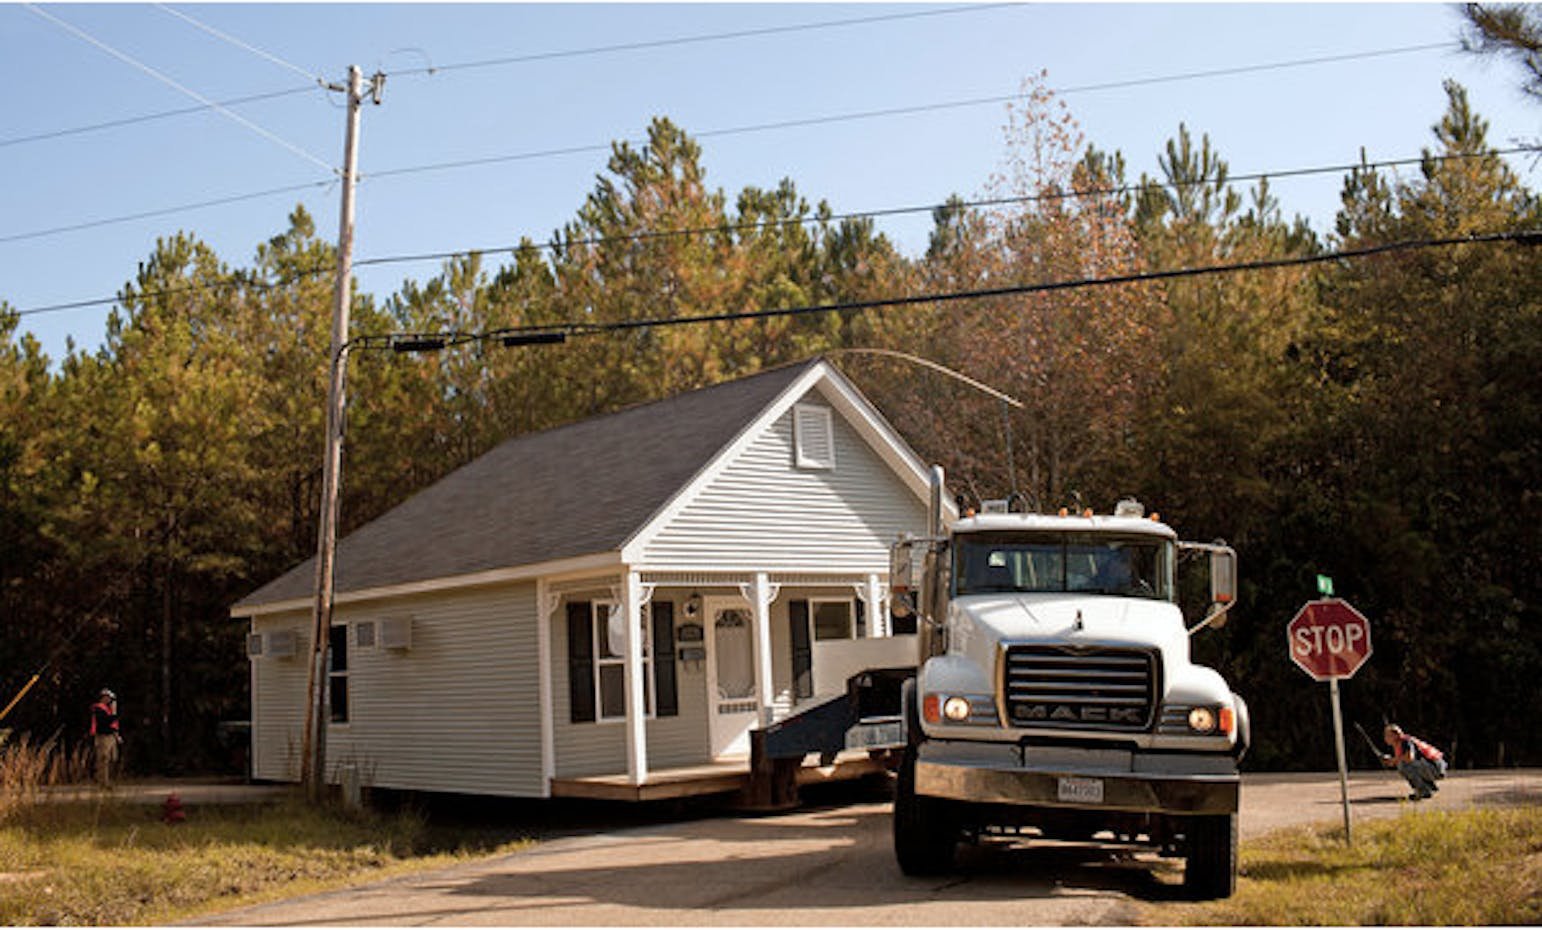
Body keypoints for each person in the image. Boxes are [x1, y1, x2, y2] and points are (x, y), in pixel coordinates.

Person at [1381, 723, 1446, 800]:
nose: (1385, 738)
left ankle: (1424, 790)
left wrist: (1393, 760)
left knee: (1403, 766)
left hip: (1435, 767)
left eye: (1387, 735)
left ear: (1395, 735)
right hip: (1432, 766)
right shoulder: (1400, 743)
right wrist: (1390, 761)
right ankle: (1427, 787)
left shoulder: (1405, 741)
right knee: (1403, 765)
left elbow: (1409, 758)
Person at [89, 688, 121, 788]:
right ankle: (103, 782)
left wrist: (117, 736)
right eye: (109, 698)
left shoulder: (108, 710)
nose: (110, 701)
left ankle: (106, 780)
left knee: (113, 758)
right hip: (103, 737)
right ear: (104, 698)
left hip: (111, 736)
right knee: (103, 759)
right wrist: (114, 714)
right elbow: (105, 723)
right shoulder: (98, 709)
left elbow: (114, 725)